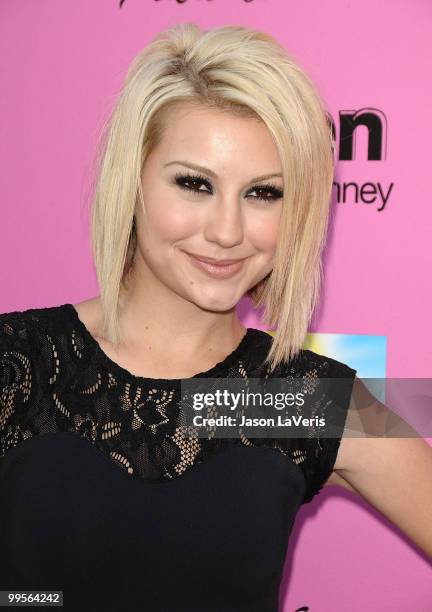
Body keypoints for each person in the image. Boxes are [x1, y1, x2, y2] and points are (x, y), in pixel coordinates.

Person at [0, 22, 431, 612]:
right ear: (134, 183)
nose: (227, 232)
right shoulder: (15, 361)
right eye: (194, 183)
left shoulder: (301, 398)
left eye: (263, 193)